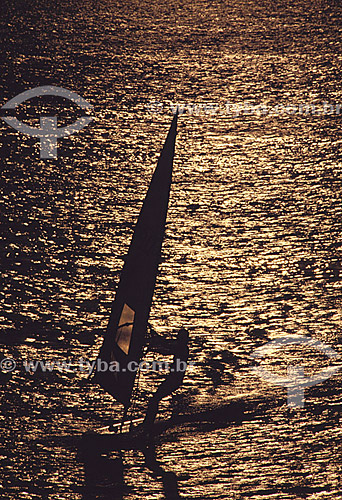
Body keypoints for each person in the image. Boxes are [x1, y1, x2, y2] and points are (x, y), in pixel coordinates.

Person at [143, 327, 189, 430]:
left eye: (179, 338)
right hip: (173, 379)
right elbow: (167, 343)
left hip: (174, 380)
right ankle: (147, 423)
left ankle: (148, 424)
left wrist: (152, 348)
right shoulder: (180, 345)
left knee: (154, 399)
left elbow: (166, 350)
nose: (177, 339)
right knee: (155, 399)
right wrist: (156, 338)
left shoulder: (182, 348)